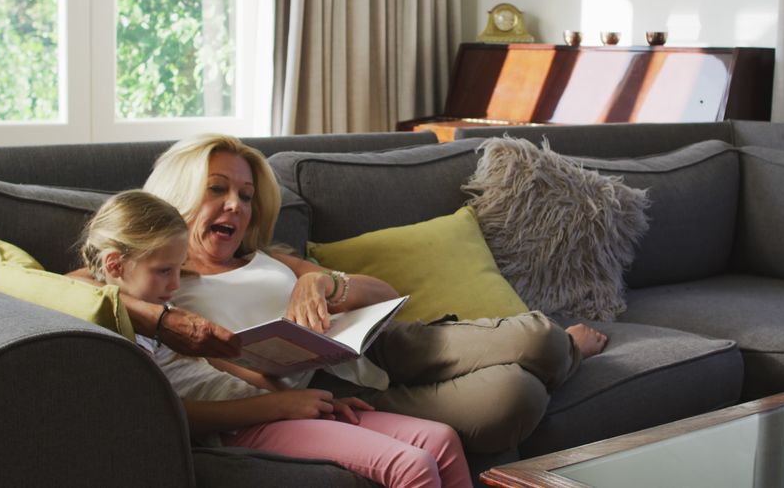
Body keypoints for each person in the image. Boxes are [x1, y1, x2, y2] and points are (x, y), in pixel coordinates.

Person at [141, 133, 609, 453]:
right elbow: (75, 285)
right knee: (515, 399)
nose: (235, 207)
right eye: (217, 189)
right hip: (329, 388)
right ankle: (561, 362)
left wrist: (323, 281)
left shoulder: (267, 257)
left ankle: (564, 350)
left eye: (245, 196)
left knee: (542, 339)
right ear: (178, 193)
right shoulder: (156, 279)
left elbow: (385, 293)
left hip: (382, 343)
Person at [77, 190, 471, 488]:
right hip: (242, 425)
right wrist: (278, 406)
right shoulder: (107, 332)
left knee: (440, 438)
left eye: (178, 270)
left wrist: (312, 401)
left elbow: (223, 367)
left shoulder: (165, 318)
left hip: (267, 404)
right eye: (164, 271)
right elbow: (172, 415)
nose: (176, 285)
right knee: (412, 465)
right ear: (115, 264)